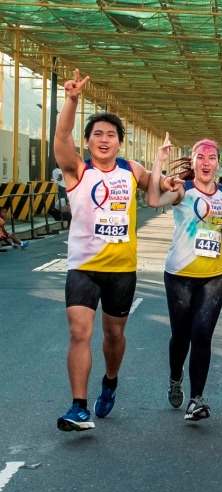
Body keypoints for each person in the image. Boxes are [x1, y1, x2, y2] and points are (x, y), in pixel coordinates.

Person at [53, 70, 152, 431]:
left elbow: (158, 189)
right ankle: (78, 406)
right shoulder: (77, 170)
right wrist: (72, 100)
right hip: (82, 267)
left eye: (111, 135)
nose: (104, 139)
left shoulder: (131, 170)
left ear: (120, 142)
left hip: (122, 271)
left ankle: (110, 380)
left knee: (113, 336)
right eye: (98, 134)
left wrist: (171, 183)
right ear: (89, 141)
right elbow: (61, 137)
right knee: (80, 332)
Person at [148, 134, 222, 421]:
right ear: (193, 161)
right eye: (200, 157)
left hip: (214, 275)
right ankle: (175, 377)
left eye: (211, 157)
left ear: (218, 163)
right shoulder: (183, 189)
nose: (206, 162)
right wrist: (159, 161)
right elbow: (154, 199)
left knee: (202, 334)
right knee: (181, 336)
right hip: (179, 274)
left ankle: (196, 399)